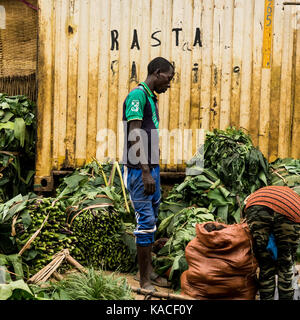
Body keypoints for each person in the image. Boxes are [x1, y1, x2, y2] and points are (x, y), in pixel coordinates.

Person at [122, 57, 175, 291]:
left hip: (151, 169)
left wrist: (154, 169)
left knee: (151, 221)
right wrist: (145, 171)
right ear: (156, 72)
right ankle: (143, 281)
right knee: (145, 223)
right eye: (168, 78)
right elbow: (134, 135)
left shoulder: (151, 98)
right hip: (139, 170)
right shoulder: (137, 96)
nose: (169, 83)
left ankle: (148, 272)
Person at [244, 185, 300, 300]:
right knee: (286, 262)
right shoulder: (295, 200)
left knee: (265, 263)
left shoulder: (264, 191)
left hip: (255, 205)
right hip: (289, 210)